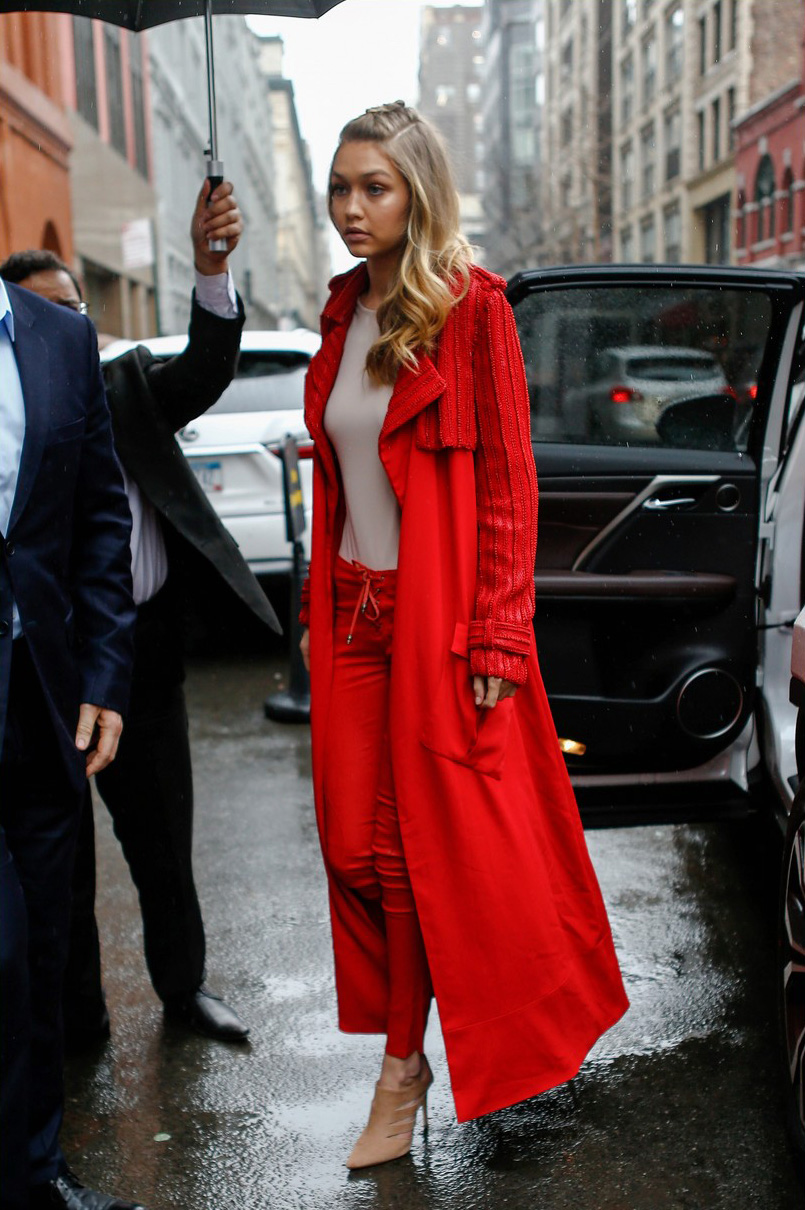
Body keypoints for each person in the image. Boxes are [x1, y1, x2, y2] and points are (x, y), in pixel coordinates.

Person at [299, 101, 629, 1169]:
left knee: (411, 854)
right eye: (340, 187)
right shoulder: (340, 311)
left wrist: (497, 635)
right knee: (350, 842)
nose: (352, 208)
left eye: (374, 188)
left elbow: (506, 493)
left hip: (438, 618)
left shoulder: (471, 312)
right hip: (351, 614)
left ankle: (401, 1073)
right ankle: (407, 1051)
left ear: (417, 193)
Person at [1, 180, 281, 1049]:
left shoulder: (119, 381)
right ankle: (77, 1025)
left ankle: (184, 991)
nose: (66, 330)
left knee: (162, 840)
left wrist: (209, 269)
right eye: (48, 313)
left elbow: (202, 368)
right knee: (62, 863)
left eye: (77, 310)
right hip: (45, 664)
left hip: (142, 654)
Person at [0, 273, 141, 1206]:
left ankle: (35, 1173)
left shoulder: (57, 337)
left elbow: (98, 521)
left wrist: (104, 678)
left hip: (42, 696)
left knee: (47, 937)